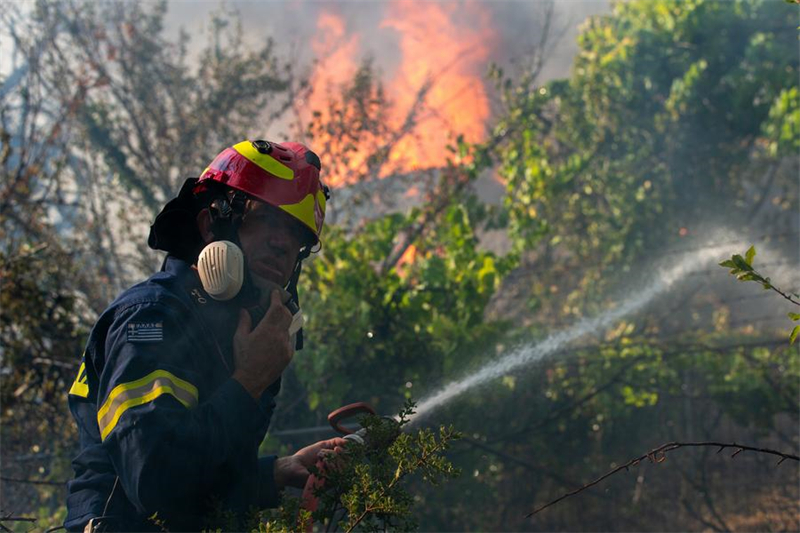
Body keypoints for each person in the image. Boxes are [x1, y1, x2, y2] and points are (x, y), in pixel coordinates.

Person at [64, 140, 345, 532]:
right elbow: (156, 485)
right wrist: (246, 383)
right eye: (265, 219)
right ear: (210, 224)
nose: (282, 243)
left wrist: (278, 473)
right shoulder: (151, 320)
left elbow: (203, 490)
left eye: (296, 234)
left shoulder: (238, 332)